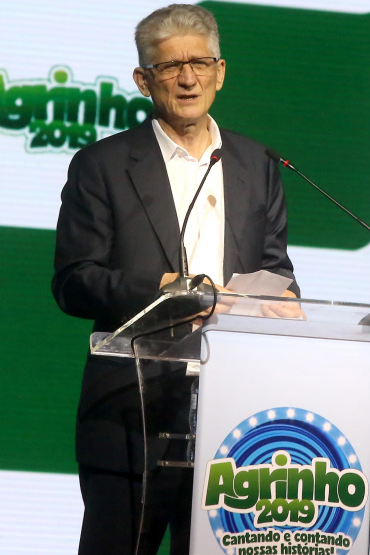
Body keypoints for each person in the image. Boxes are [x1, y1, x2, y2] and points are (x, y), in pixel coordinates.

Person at [51, 4, 299, 554]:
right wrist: (162, 292)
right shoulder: (103, 165)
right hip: (130, 413)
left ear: (220, 71)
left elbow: (276, 269)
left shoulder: (258, 164)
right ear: (143, 80)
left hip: (234, 419)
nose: (188, 78)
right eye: (170, 67)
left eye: (200, 63)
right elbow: (73, 280)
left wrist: (287, 303)